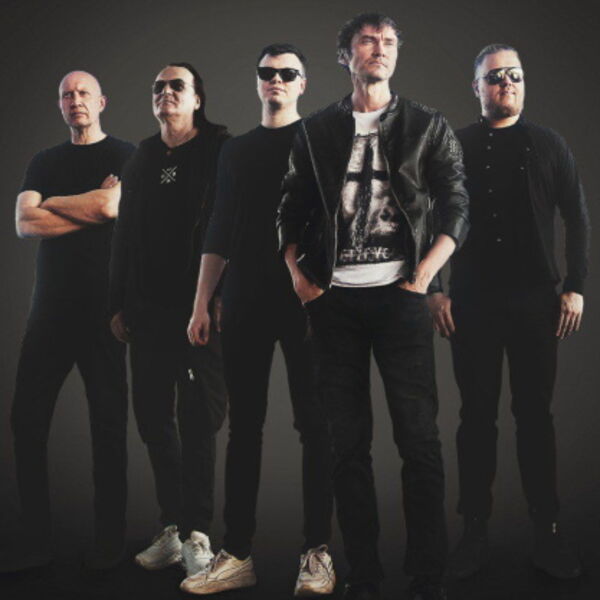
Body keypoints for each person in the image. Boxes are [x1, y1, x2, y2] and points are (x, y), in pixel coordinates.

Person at [278, 13, 469, 600]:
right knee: (347, 446)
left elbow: (456, 204)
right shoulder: (315, 130)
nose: (379, 49)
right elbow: (289, 208)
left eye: (388, 42)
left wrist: (425, 275)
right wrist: (299, 278)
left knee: (419, 440)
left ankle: (428, 575)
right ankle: (364, 575)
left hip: (401, 299)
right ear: (346, 55)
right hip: (333, 302)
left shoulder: (426, 125)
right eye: (367, 41)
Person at [427, 44, 589, 580]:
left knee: (535, 417)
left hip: (536, 303)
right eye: (495, 76)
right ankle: (473, 533)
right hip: (471, 302)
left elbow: (577, 217)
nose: (507, 83)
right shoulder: (455, 145)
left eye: (515, 75)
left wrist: (575, 287)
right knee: (475, 418)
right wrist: (435, 288)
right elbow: (430, 215)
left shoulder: (550, 144)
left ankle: (548, 532)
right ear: (477, 87)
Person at [184, 44, 335, 597]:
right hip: (244, 301)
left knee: (315, 425)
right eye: (267, 73)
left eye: (287, 73)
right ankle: (238, 555)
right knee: (244, 426)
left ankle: (317, 552)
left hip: (305, 302)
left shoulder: (319, 141)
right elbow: (219, 226)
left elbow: (337, 222)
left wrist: (328, 295)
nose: (276, 80)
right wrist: (202, 302)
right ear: (257, 82)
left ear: (303, 83)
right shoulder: (237, 151)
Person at [7, 71, 134, 572]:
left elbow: (112, 205)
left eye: (83, 93)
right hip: (49, 314)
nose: (75, 100)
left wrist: (53, 205)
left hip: (105, 313)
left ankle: (109, 544)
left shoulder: (125, 155)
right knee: (27, 421)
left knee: (108, 427)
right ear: (60, 106)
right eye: (66, 95)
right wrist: (90, 204)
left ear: (101, 102)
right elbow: (24, 223)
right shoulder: (44, 161)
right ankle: (36, 541)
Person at [108, 63, 228, 582]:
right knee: (153, 417)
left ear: (198, 98)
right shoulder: (142, 157)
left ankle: (198, 533)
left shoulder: (220, 150)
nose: (166, 92)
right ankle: (173, 527)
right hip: (147, 311)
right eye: (158, 87)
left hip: (198, 308)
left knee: (199, 418)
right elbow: (124, 234)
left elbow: (232, 224)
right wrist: (117, 302)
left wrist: (219, 296)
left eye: (178, 85)